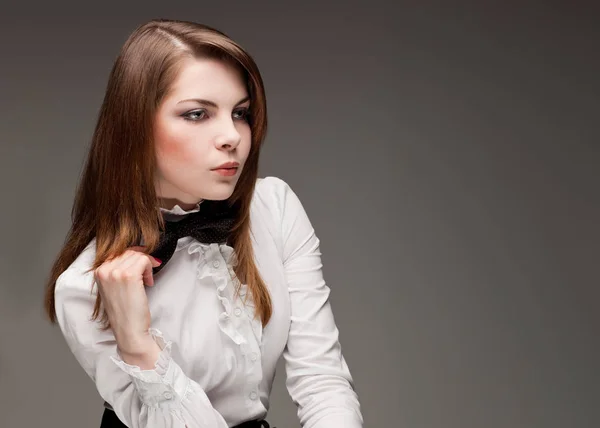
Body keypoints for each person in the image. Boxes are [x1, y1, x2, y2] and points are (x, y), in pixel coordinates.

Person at [43, 18, 363, 428]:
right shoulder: (83, 287)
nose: (232, 136)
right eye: (197, 114)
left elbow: (323, 381)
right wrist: (140, 348)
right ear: (135, 127)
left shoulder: (274, 206)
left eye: (241, 113)